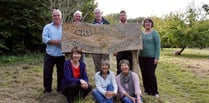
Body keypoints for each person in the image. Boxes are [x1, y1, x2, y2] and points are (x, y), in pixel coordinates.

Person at [42, 9, 65, 94]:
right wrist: (56, 42)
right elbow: (44, 39)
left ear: (61, 17)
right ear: (52, 17)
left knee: (61, 74)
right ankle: (47, 90)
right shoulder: (47, 27)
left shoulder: (65, 27)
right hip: (50, 54)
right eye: (55, 15)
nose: (56, 17)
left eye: (58, 15)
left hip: (61, 54)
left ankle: (60, 89)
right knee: (47, 72)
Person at [138, 18, 160, 98]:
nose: (147, 24)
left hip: (151, 57)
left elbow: (158, 46)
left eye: (149, 22)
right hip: (141, 57)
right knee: (144, 74)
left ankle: (155, 92)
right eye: (146, 22)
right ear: (144, 24)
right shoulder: (141, 33)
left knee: (151, 74)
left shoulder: (154, 33)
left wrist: (157, 57)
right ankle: (147, 90)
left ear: (151, 24)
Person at [113, 10, 133, 75]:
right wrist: (114, 50)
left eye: (124, 15)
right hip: (119, 50)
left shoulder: (131, 26)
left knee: (129, 66)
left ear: (126, 16)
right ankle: (119, 83)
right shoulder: (116, 27)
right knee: (119, 67)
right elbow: (113, 38)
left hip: (129, 50)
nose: (122, 16)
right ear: (119, 17)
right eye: (121, 15)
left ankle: (129, 83)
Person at [92, 8, 110, 72]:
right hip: (95, 48)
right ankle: (98, 80)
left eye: (98, 13)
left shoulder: (107, 23)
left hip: (105, 47)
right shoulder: (91, 24)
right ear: (94, 14)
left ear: (101, 13)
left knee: (106, 64)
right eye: (96, 13)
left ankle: (106, 80)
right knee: (97, 65)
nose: (97, 14)